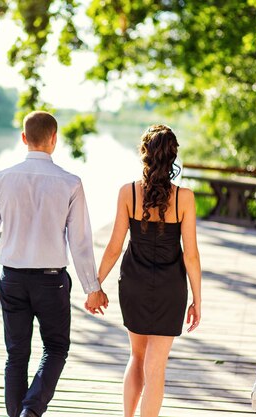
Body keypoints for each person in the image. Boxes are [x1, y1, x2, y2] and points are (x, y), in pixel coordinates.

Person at [0, 110, 109, 417]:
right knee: (56, 348)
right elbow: (80, 242)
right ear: (54, 139)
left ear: (24, 138)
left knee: (16, 355)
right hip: (51, 281)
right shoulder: (70, 183)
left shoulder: (1, 179)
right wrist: (93, 288)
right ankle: (31, 411)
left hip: (11, 279)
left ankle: (21, 414)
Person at [93, 124, 202, 417]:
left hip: (134, 284)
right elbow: (191, 255)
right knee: (156, 367)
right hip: (170, 289)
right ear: (173, 157)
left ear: (144, 155)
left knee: (136, 356)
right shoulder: (185, 198)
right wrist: (197, 300)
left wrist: (95, 285)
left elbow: (114, 247)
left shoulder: (127, 193)